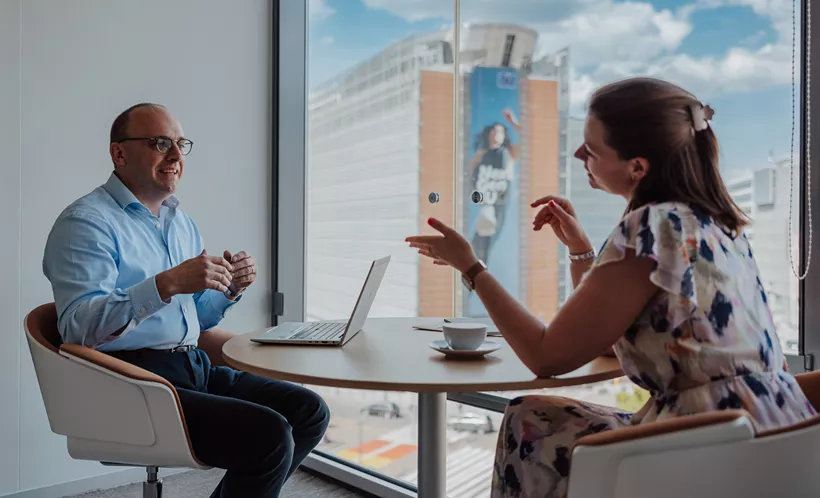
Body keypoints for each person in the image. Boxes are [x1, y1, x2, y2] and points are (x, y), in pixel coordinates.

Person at [406, 77, 817, 498]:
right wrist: (582, 250)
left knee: (528, 419)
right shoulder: (717, 224)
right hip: (779, 436)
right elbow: (609, 336)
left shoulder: (650, 226)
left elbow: (547, 356)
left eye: (592, 149)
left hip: (702, 449)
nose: (579, 155)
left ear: (637, 168)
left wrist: (471, 265)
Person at [42, 103, 329, 498]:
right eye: (160, 143)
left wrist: (229, 289)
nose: (176, 155)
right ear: (119, 153)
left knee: (308, 412)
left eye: (180, 144)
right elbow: (78, 330)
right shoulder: (86, 222)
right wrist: (164, 284)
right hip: (128, 383)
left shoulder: (180, 222)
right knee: (268, 436)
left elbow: (192, 319)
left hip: (191, 367)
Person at [468, 109, 520, 264]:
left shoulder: (509, 154)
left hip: (499, 208)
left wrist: (513, 122)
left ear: (504, 136)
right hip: (485, 207)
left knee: (486, 245)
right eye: (494, 131)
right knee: (477, 245)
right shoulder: (480, 156)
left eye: (500, 132)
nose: (496, 135)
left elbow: (528, 137)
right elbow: (469, 178)